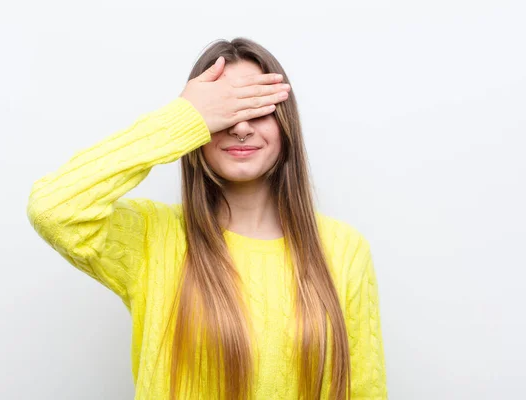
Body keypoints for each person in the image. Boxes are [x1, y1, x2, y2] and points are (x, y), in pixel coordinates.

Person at [26, 37, 387, 400]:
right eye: (225, 110)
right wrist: (181, 118)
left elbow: (364, 389)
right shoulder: (153, 238)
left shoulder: (343, 249)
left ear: (285, 123)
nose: (241, 127)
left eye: (258, 108)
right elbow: (54, 207)